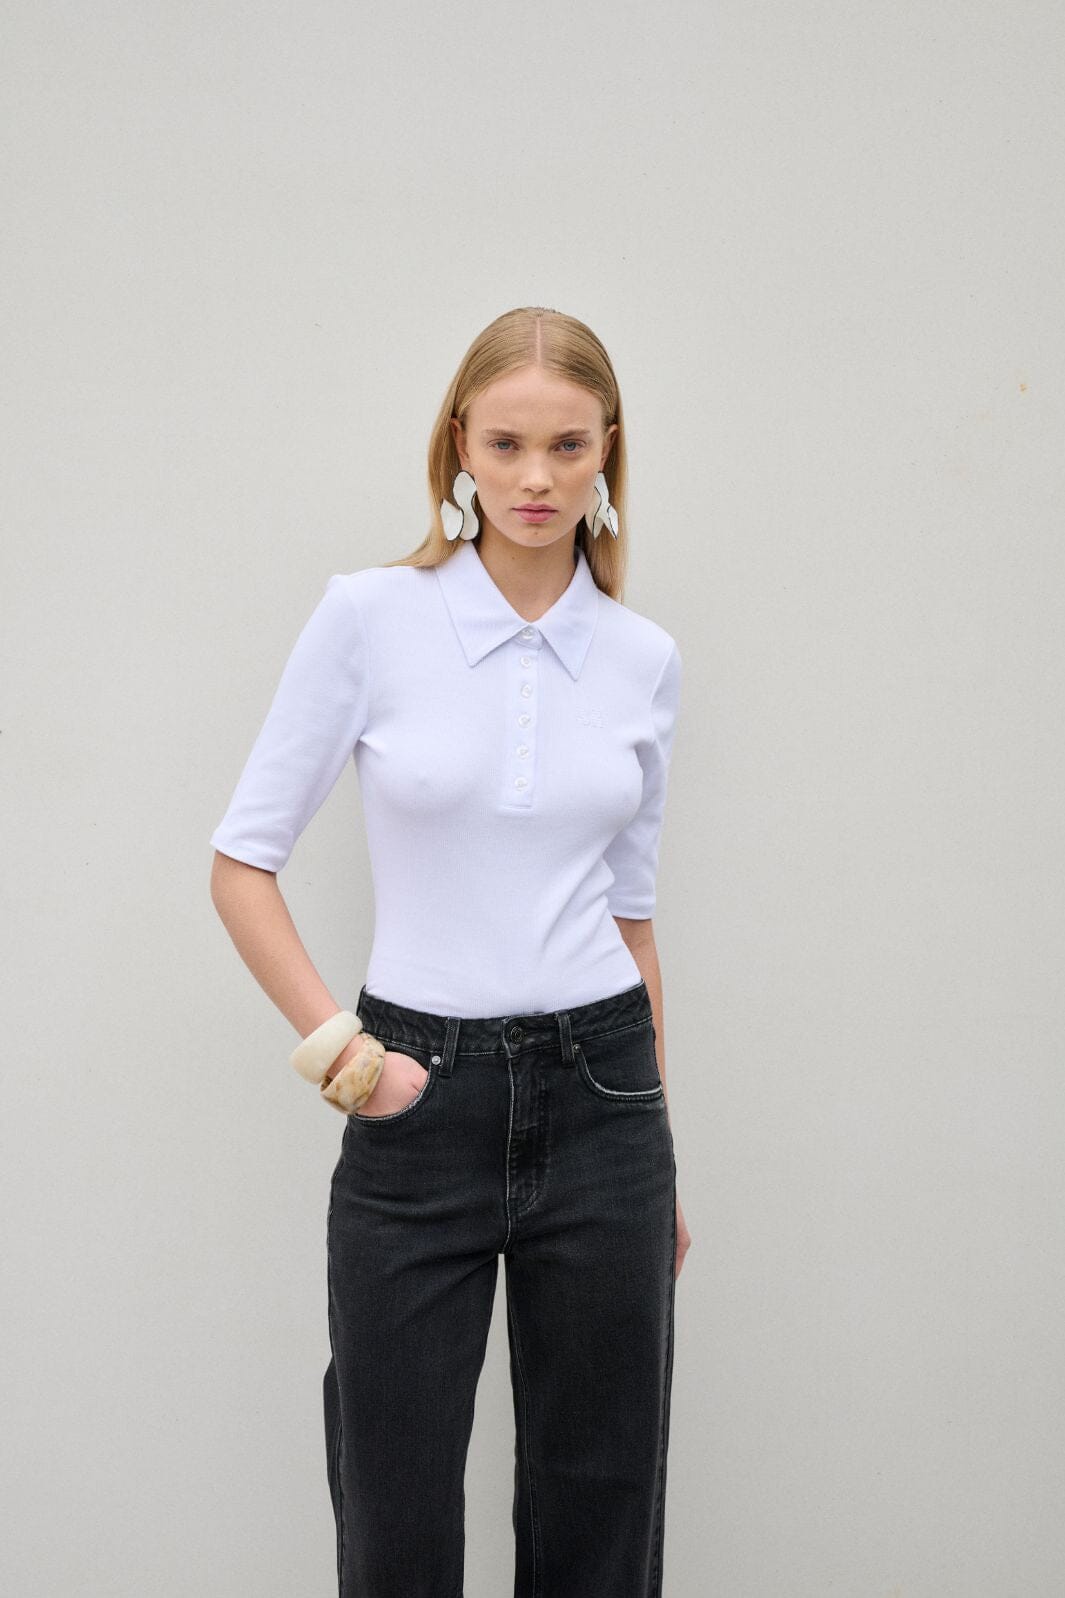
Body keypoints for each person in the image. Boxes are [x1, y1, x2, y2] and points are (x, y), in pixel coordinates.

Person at [209, 305, 691, 1597]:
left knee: (602, 1506)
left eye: (567, 446)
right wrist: (350, 1061)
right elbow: (241, 863)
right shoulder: (372, 616)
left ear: (606, 451)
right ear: (458, 449)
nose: (536, 478)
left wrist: (657, 1148)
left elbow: (631, 919)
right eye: (506, 444)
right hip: (415, 1092)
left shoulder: (641, 659)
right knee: (396, 1506)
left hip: (605, 1103)